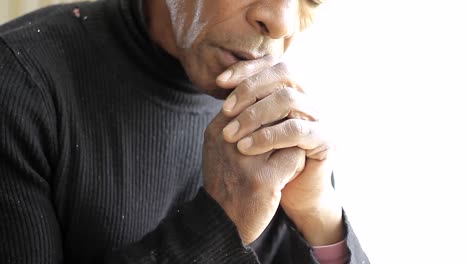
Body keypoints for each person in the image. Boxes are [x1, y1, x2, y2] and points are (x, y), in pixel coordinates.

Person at [0, 0, 369, 263]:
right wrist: (222, 221)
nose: (282, 21)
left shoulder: (272, 108)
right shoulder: (17, 81)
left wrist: (318, 216)